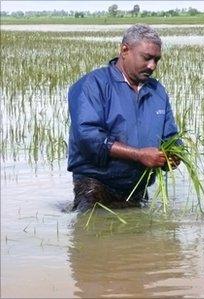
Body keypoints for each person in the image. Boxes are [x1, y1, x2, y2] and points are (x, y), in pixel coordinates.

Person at [67, 24, 180, 213]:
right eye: (147, 58)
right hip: (96, 185)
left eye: (156, 59)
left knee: (136, 239)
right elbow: (88, 137)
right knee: (92, 235)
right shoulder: (92, 85)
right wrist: (139, 154)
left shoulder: (158, 91)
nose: (152, 66)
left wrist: (174, 155)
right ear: (125, 50)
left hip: (137, 187)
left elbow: (171, 136)